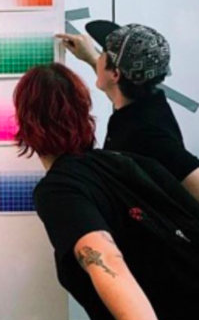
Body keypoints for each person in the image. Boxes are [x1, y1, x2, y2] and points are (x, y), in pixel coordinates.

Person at [14, 63, 199, 320]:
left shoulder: (59, 189)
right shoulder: (132, 162)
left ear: (26, 123)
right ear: (84, 113)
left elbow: (107, 261)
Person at [57, 22, 199, 201]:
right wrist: (92, 58)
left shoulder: (148, 134)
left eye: (103, 53)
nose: (99, 56)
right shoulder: (148, 102)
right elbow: (116, 89)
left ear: (115, 74)